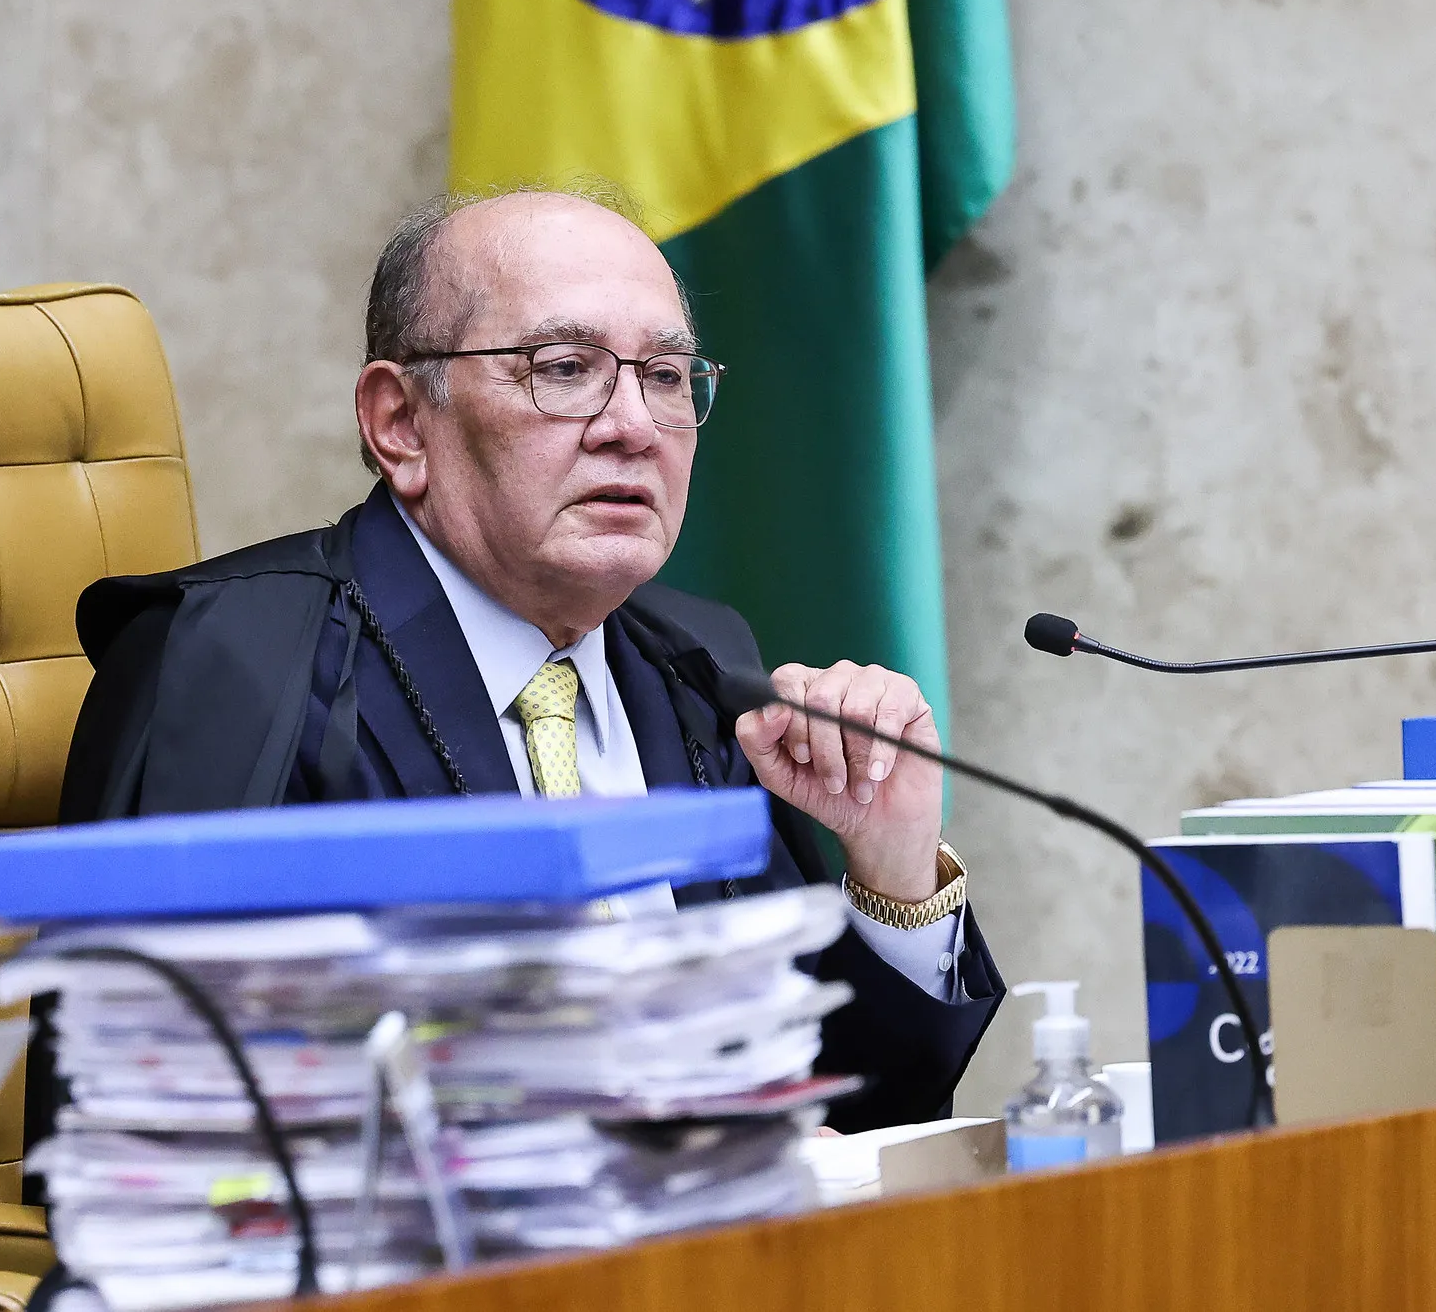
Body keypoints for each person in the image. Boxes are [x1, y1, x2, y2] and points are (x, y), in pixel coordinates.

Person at [57, 185, 1003, 1130]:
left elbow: (849, 1119)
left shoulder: (699, 666)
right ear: (400, 424)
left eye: (667, 378)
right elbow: (151, 1130)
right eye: (565, 367)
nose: (633, 424)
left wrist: (892, 870)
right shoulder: (234, 663)